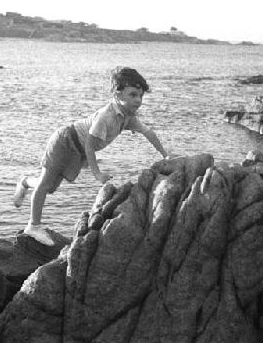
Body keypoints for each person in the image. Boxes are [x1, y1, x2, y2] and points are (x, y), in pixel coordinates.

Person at [13, 67, 171, 245]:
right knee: (44, 184)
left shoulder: (128, 116)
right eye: (133, 94)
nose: (138, 100)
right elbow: (90, 145)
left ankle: (25, 182)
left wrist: (165, 155)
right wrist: (97, 173)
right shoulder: (107, 116)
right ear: (118, 95)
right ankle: (33, 226)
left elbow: (148, 133)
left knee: (50, 188)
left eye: (140, 96)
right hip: (65, 141)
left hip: (77, 151)